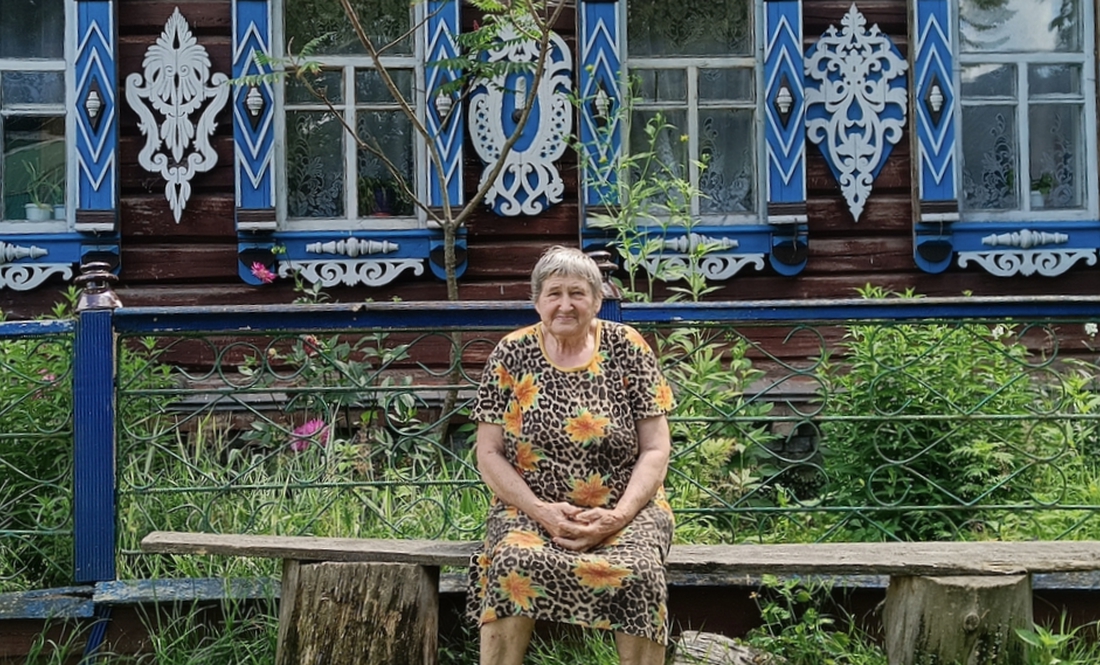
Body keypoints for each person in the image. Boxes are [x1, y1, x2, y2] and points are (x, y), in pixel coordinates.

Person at [468, 246, 676, 665]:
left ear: (597, 300)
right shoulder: (512, 353)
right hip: (529, 507)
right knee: (513, 560)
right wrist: (541, 511)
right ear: (536, 301)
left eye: (578, 293)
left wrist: (618, 516)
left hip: (625, 508)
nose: (566, 305)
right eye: (554, 293)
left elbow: (656, 448)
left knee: (639, 571)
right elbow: (488, 452)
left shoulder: (628, 348)